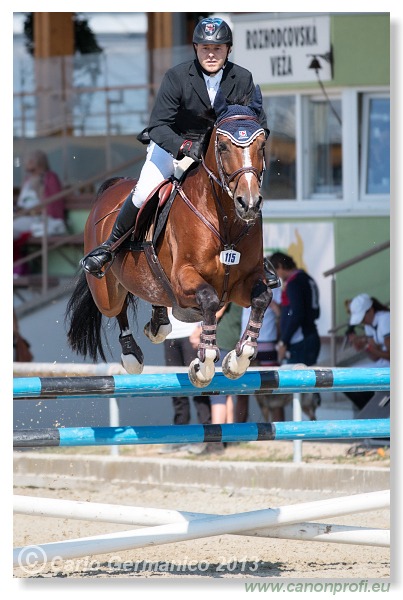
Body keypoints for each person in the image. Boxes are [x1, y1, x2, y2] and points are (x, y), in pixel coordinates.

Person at [81, 17, 269, 278]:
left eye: (217, 48)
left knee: (247, 193)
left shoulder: (242, 78)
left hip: (221, 152)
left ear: (228, 49)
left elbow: (256, 123)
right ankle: (109, 246)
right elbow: (158, 126)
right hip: (174, 146)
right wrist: (184, 146)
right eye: (205, 48)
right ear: (195, 48)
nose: (211, 54)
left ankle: (257, 260)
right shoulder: (177, 76)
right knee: (142, 191)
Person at [269, 251, 321, 420]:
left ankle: (305, 431)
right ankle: (308, 426)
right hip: (309, 336)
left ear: (281, 267)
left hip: (301, 341)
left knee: (299, 386)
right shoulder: (307, 278)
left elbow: (296, 314)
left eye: (275, 271)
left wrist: (284, 341)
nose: (276, 277)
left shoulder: (294, 283)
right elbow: (314, 311)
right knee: (305, 386)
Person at [235, 287, 293, 423]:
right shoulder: (245, 282)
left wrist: (281, 341)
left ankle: (280, 434)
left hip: (267, 342)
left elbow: (280, 313)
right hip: (245, 344)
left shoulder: (275, 286)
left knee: (272, 390)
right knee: (241, 391)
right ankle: (238, 433)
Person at [160, 309, 211, 454]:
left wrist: (201, 328)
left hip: (191, 334)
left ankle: (206, 436)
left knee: (198, 385)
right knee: (176, 389)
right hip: (170, 335)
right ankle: (179, 437)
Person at [14, 149, 66, 274]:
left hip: (40, 218)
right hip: (23, 216)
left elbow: (52, 204)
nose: (27, 163)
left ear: (39, 162)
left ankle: (18, 268)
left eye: (31, 160)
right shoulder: (27, 180)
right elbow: (22, 203)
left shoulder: (50, 177)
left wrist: (32, 210)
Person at [343, 294, 390, 410]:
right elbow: (376, 358)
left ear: (371, 310)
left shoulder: (385, 319)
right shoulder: (370, 324)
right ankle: (373, 410)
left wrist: (369, 347)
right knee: (345, 377)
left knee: (351, 378)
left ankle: (377, 410)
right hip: (384, 365)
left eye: (363, 318)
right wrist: (364, 346)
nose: (362, 322)